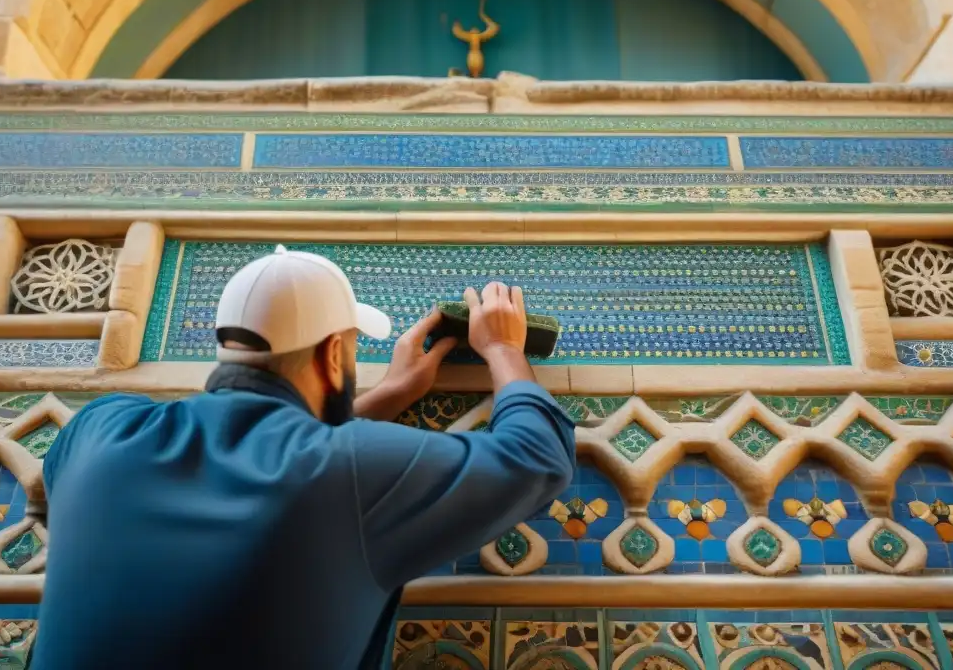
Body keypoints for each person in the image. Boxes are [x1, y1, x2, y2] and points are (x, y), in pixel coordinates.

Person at [31, 246, 576, 669]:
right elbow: (537, 457)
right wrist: (503, 349)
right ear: (332, 353)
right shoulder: (351, 473)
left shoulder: (100, 431)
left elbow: (255, 454)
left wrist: (385, 397)